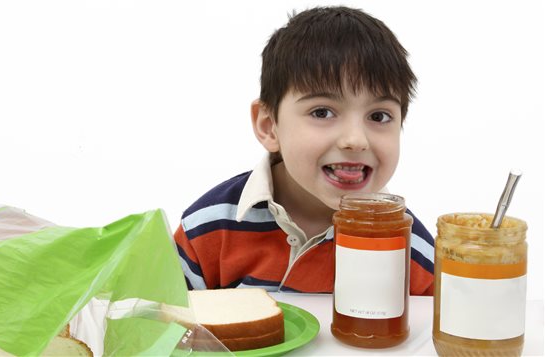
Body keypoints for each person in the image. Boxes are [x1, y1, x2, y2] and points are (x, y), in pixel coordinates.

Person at [173, 6, 434, 295]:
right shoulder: (208, 227)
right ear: (269, 126)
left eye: (379, 116)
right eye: (322, 112)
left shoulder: (410, 249)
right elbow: (160, 325)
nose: (355, 139)